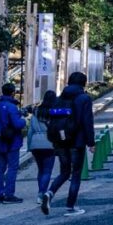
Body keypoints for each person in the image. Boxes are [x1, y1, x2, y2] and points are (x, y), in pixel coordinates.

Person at [42, 71, 95, 216]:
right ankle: (70, 206)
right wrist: (91, 142)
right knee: (76, 174)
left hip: (60, 141)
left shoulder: (59, 98)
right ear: (83, 83)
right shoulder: (84, 98)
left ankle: (49, 193)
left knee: (64, 172)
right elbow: (87, 122)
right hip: (76, 142)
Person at [0, 82, 26, 204]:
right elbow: (17, 124)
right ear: (13, 92)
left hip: (0, 140)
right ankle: (9, 194)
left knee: (0, 168)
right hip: (12, 141)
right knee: (12, 168)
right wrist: (24, 120)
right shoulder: (12, 107)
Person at [27, 90, 57, 205]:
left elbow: (30, 131)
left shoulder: (36, 112)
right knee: (47, 170)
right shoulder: (54, 112)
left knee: (40, 170)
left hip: (36, 143)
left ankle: (40, 192)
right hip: (49, 143)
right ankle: (42, 193)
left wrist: (29, 145)